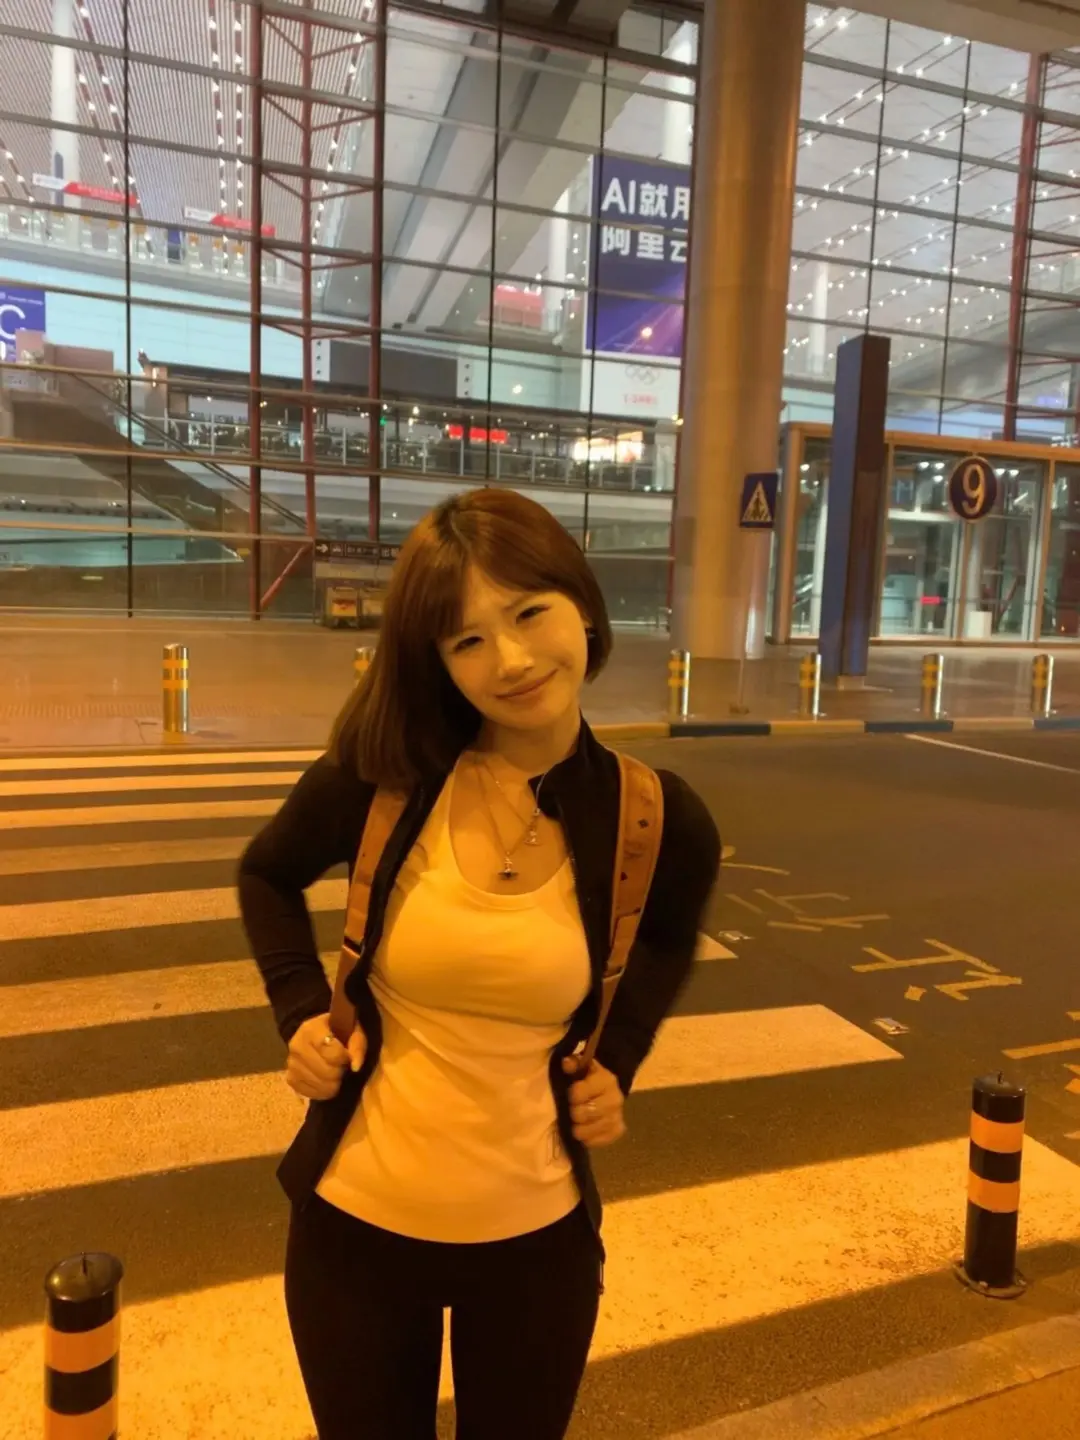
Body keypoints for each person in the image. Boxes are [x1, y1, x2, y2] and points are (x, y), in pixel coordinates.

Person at [237, 487, 721, 1440]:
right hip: (355, 1234)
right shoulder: (388, 776)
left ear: (582, 606)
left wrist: (617, 1062)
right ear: (439, 662)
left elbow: (667, 939)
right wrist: (300, 1013)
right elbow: (268, 873)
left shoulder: (654, 815)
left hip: (536, 1246)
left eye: (530, 613)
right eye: (468, 640)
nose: (511, 660)